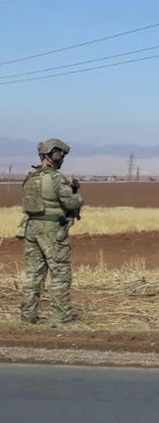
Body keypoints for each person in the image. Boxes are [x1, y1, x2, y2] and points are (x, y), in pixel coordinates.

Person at [17, 138, 83, 326]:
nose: (62, 158)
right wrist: (77, 196)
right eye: (60, 154)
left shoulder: (31, 178)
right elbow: (70, 203)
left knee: (33, 274)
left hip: (30, 228)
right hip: (52, 230)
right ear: (55, 155)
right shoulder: (56, 178)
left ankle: (28, 315)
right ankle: (60, 315)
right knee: (60, 272)